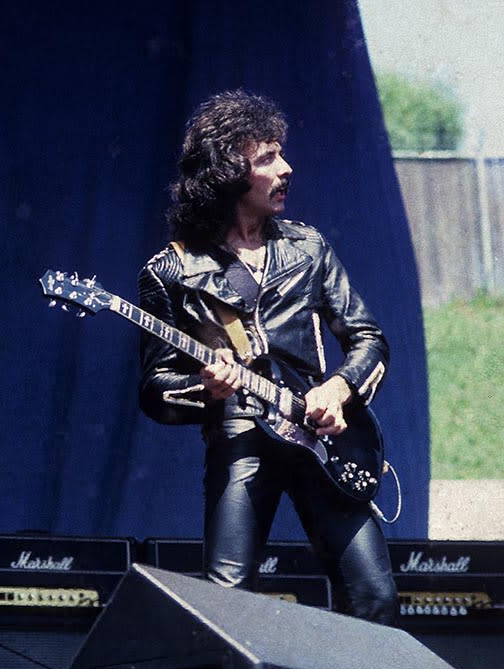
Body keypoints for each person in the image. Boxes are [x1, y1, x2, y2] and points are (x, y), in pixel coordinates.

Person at [138, 90, 396, 624]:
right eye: (267, 159)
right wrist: (204, 390)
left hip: (322, 439)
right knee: (227, 604)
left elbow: (369, 339)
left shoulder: (308, 248)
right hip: (240, 437)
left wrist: (338, 389)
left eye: (281, 154)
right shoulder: (172, 272)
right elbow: (155, 389)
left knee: (374, 599)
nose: (286, 169)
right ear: (230, 174)